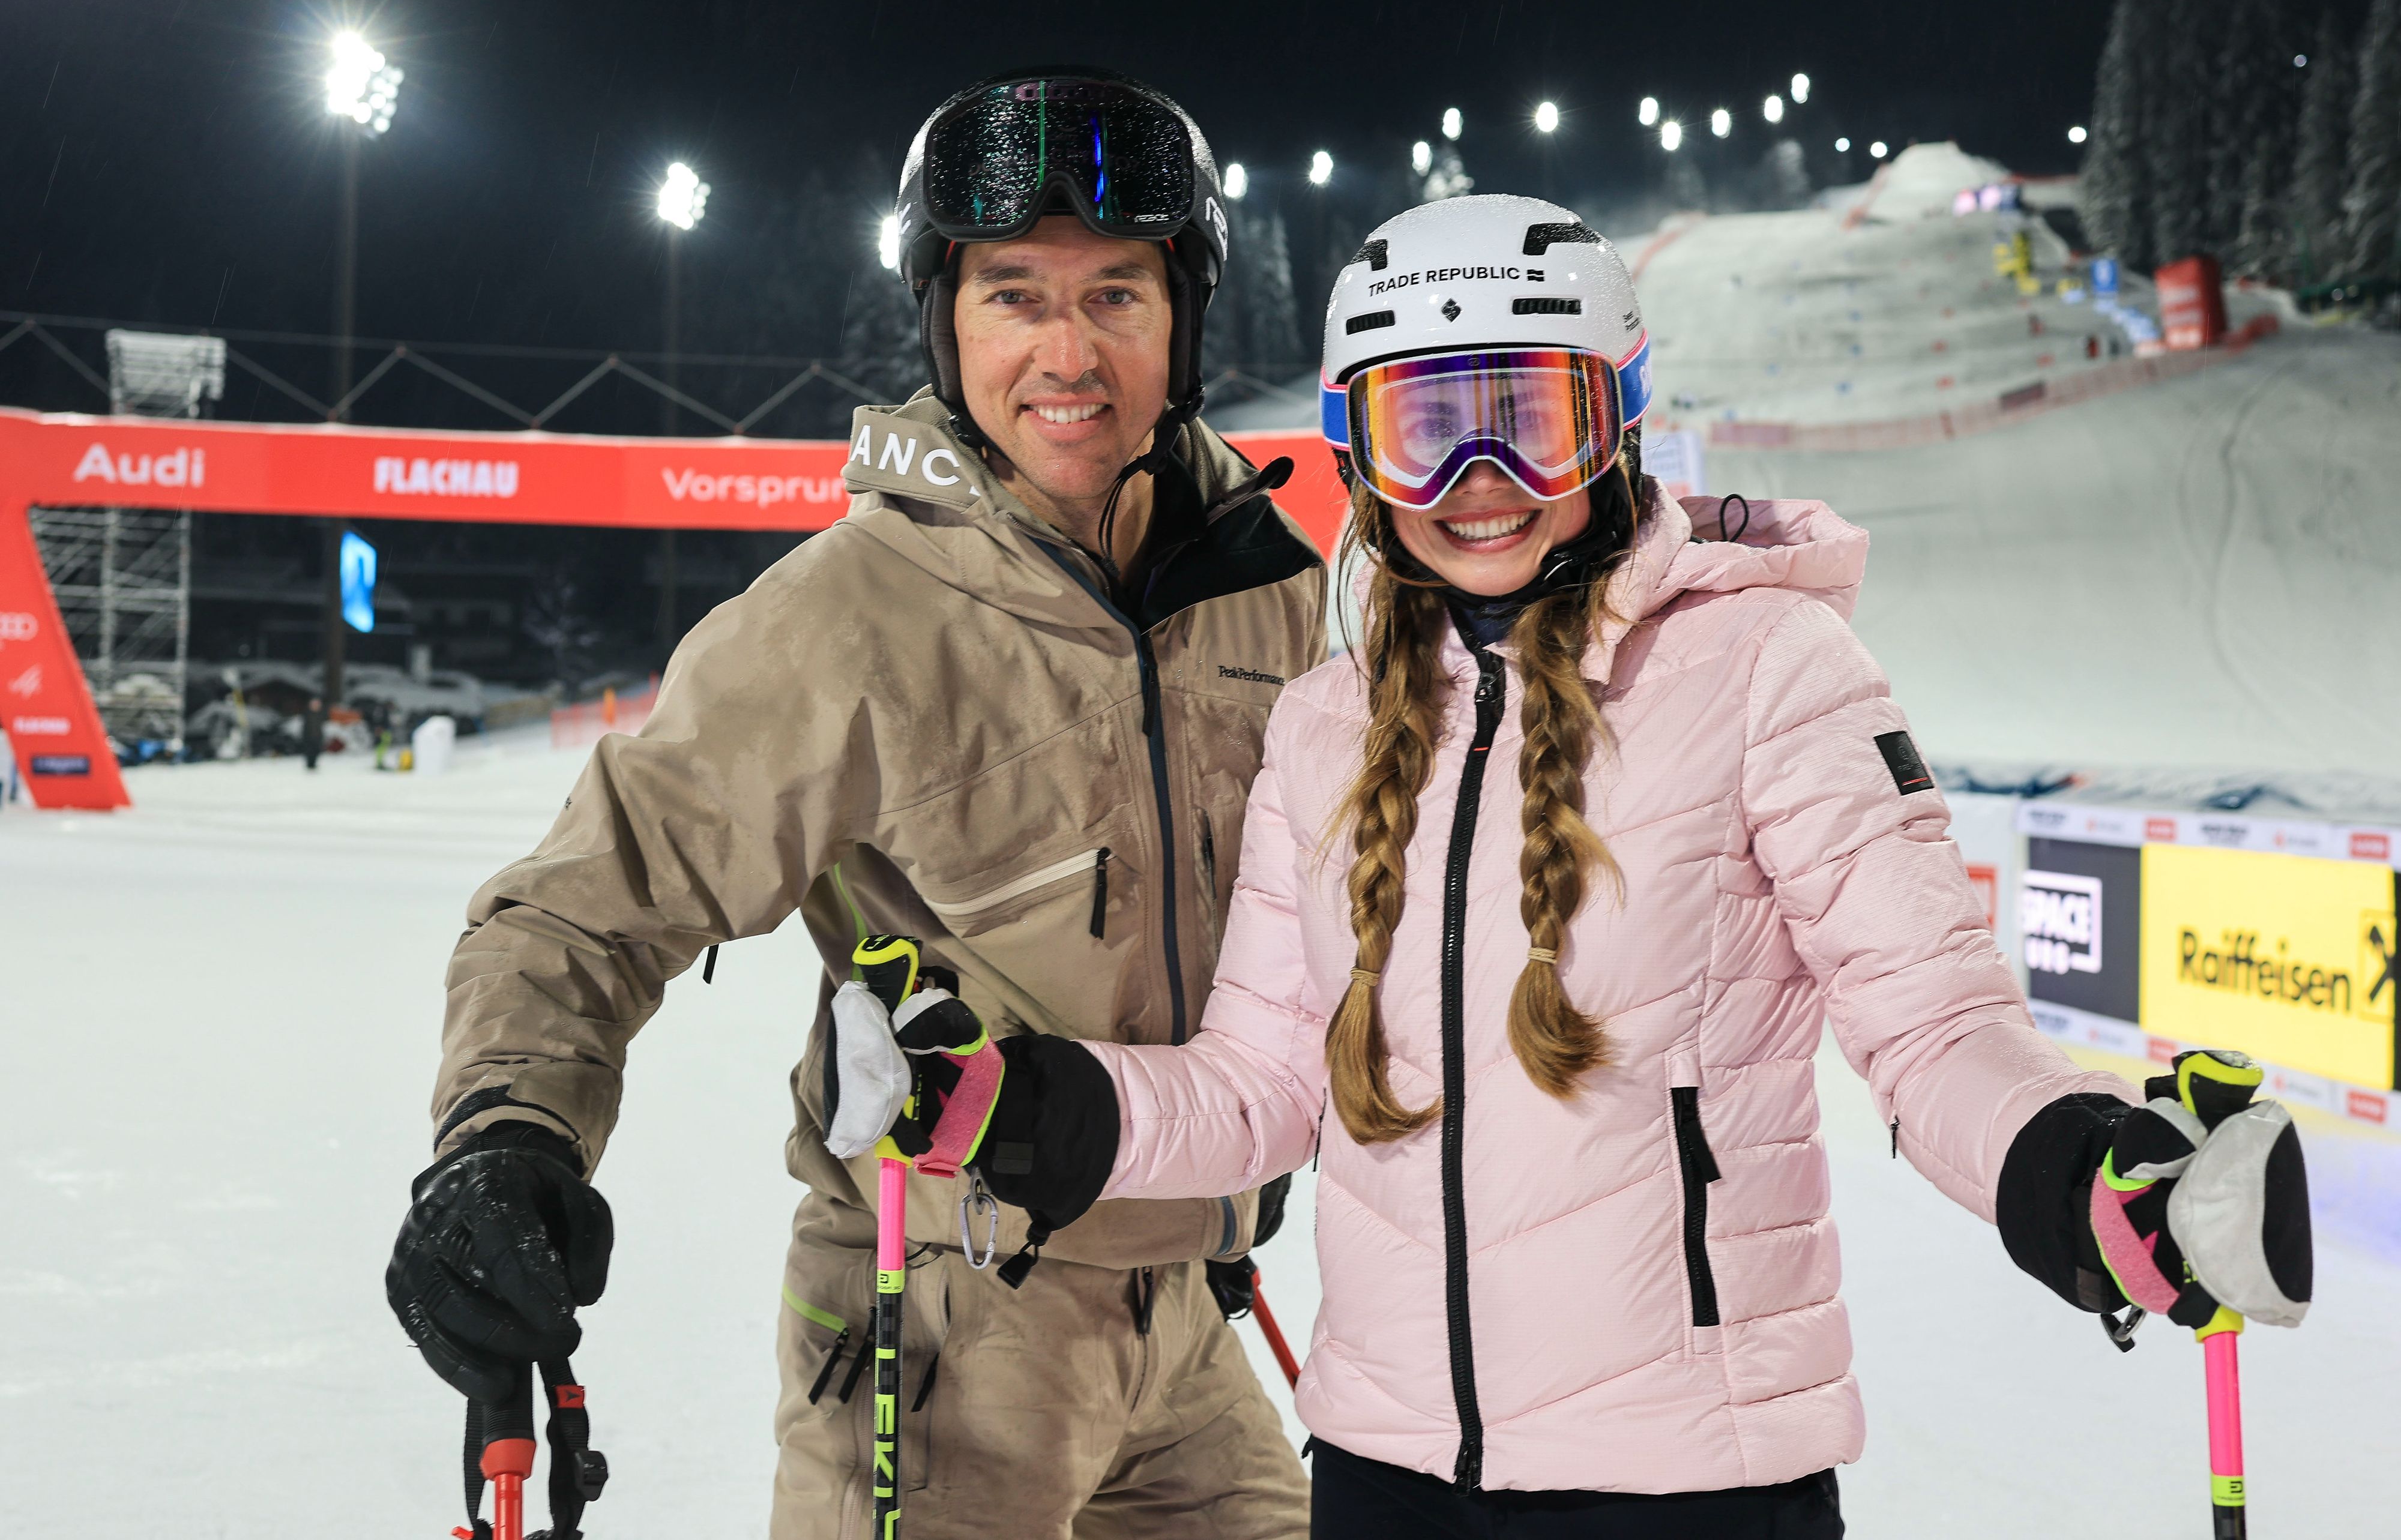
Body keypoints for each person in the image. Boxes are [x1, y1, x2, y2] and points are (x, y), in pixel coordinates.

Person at [839, 195, 2315, 1538]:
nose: (1479, 478)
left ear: (1611, 420)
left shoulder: (1764, 669)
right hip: (1384, 1470)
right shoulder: (1323, 724)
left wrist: (2083, 1170)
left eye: (1524, 416)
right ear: (1360, 453)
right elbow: (1262, 1084)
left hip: (1685, 1484)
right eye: (1430, 428)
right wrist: (1015, 1100)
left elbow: (1927, 1020)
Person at [384, 70, 1323, 1538]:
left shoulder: (1263, 589)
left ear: (1182, 320)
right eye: (1013, 295)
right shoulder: (849, 615)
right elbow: (586, 897)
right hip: (946, 1318)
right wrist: (508, 1134)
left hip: (1188, 1312)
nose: (1066, 353)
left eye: (1116, 297)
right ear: (945, 323)